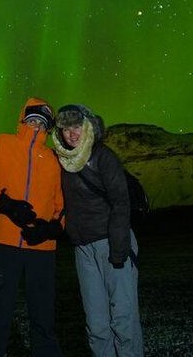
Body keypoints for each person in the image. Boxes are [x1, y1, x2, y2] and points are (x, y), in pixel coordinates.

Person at [0, 97, 66, 357]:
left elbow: (62, 205)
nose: (36, 126)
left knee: (44, 316)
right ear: (23, 119)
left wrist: (51, 229)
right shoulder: (2, 143)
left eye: (42, 123)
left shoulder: (54, 159)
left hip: (42, 249)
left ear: (48, 127)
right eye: (33, 120)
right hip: (4, 244)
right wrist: (4, 202)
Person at [49, 103, 143, 357]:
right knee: (97, 324)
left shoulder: (103, 156)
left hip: (113, 244)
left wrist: (119, 247)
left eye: (77, 126)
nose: (72, 133)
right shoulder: (62, 161)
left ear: (89, 126)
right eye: (66, 128)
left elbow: (121, 202)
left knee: (123, 318)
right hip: (83, 249)